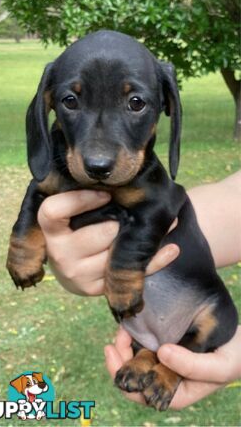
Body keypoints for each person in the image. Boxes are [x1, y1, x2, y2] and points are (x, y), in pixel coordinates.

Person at [37, 171, 241, 409]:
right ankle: (146, 352)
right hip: (155, 313)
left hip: (197, 313)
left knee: (212, 317)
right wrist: (109, 239)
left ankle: (153, 356)